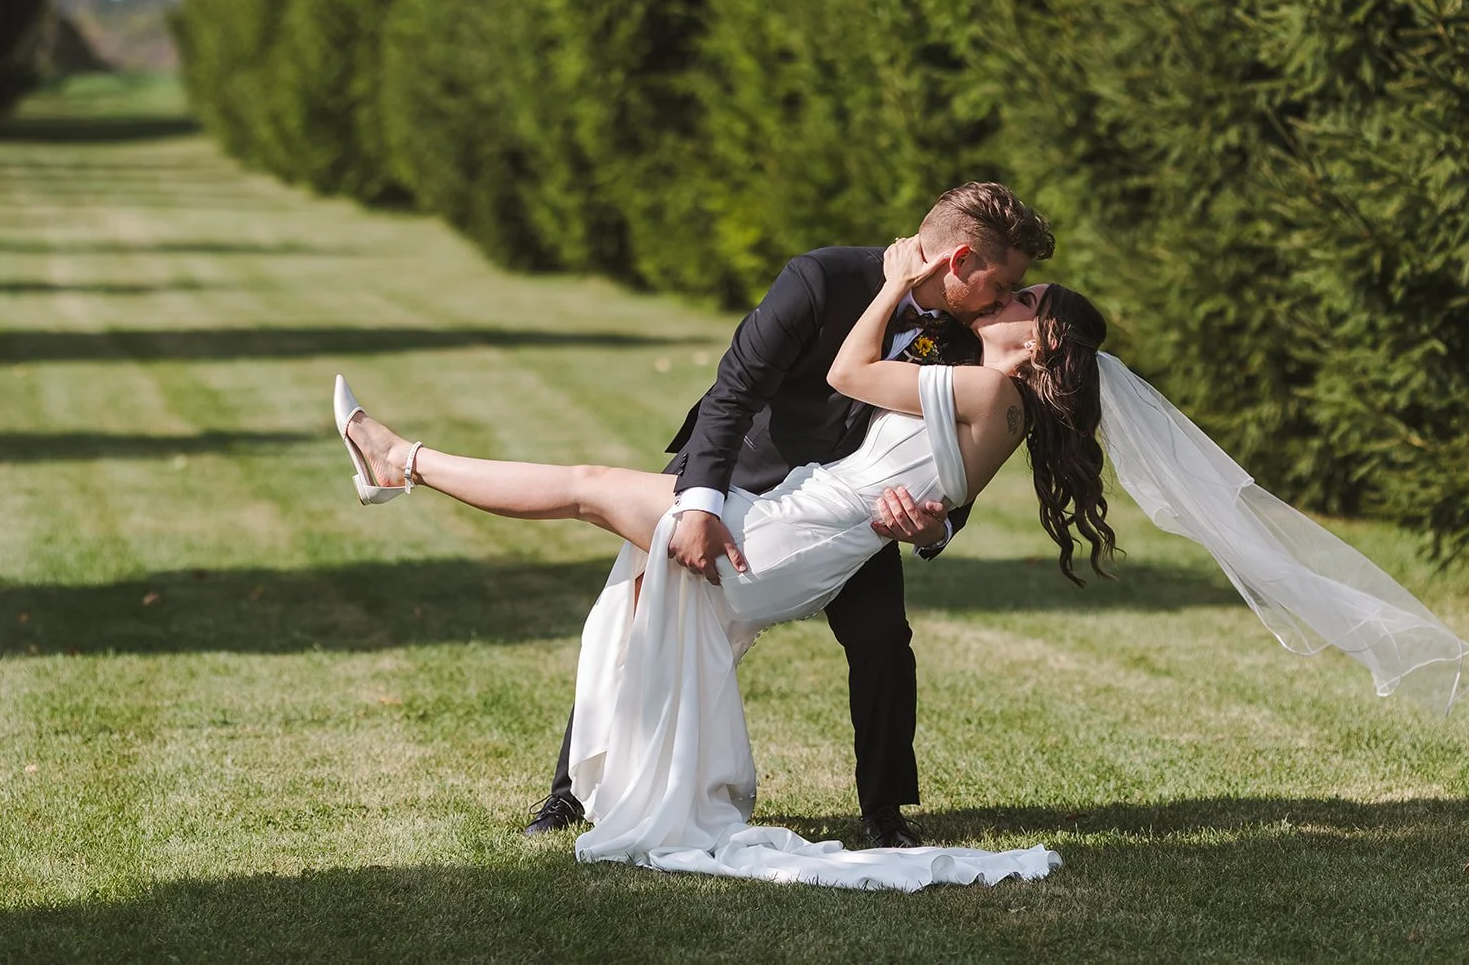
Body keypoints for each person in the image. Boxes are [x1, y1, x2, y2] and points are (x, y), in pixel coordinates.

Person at [334, 239, 1467, 890]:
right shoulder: (1014, 418)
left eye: (1016, 301)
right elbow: (927, 499)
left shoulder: (981, 386)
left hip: (779, 534)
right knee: (625, 605)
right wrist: (920, 516)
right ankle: (582, 773)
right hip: (804, 538)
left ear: (1036, 340)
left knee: (587, 486)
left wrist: (891, 278)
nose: (999, 301)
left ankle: (400, 461)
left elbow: (848, 366)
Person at [529, 182, 1058, 847]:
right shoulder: (822, 278)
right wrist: (699, 502)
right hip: (740, 477)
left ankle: (885, 814)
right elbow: (734, 389)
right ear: (959, 262)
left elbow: (958, 458)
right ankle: (569, 795)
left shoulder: (971, 337)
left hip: (846, 511)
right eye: (1003, 283)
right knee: (638, 611)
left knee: (883, 640)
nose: (1006, 299)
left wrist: (936, 524)